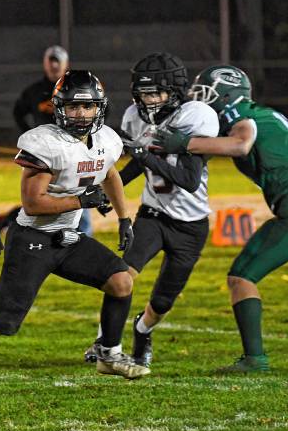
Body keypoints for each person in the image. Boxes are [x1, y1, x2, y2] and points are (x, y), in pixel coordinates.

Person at [0, 70, 150, 380]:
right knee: (3, 322)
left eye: (88, 106)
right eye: (73, 107)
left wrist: (124, 218)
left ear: (100, 108)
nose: (81, 114)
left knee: (121, 282)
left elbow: (109, 174)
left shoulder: (106, 140)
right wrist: (82, 202)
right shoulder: (46, 143)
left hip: (67, 237)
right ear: (59, 108)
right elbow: (33, 203)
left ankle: (108, 353)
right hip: (32, 239)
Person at [83, 53, 219, 367]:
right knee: (121, 274)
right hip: (154, 215)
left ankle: (142, 331)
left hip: (190, 225)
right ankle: (106, 342)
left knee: (162, 301)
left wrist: (145, 155)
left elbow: (188, 178)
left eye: (155, 93)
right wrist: (109, 192)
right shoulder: (135, 116)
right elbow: (137, 164)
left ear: (175, 91)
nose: (149, 100)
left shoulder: (194, 116)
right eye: (143, 94)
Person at [155, 65, 288, 373]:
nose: (200, 101)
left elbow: (240, 144)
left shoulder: (246, 120)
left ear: (227, 96)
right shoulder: (262, 116)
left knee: (242, 277)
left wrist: (184, 143)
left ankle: (255, 359)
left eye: (206, 94)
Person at [13, 45, 92, 235]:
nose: (54, 66)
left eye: (58, 61)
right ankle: (46, 239)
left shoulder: (77, 88)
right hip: (45, 154)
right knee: (41, 195)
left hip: (73, 151)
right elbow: (18, 112)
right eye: (51, 61)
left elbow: (100, 108)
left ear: (66, 64)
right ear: (45, 64)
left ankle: (83, 240)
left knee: (79, 192)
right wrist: (30, 135)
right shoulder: (34, 91)